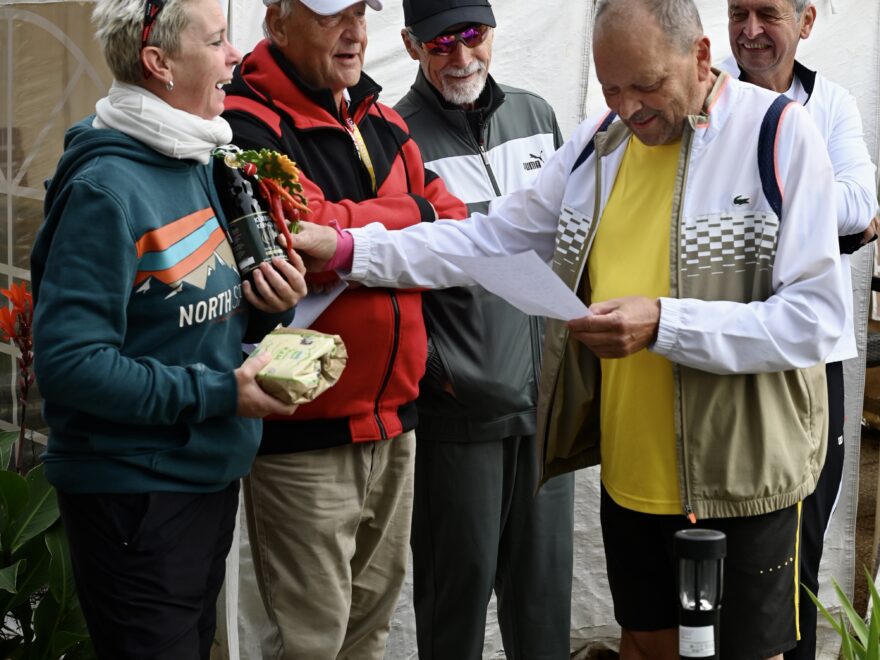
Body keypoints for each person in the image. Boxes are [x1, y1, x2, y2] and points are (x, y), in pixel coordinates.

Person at [291, 0, 849, 656]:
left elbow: (817, 320)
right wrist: (350, 251)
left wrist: (665, 324)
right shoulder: (598, 145)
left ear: (701, 56)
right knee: (644, 647)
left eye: (647, 85)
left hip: (745, 482)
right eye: (611, 88)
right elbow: (487, 240)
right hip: (633, 479)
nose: (630, 107)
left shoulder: (778, 134)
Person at [29, 0, 309, 657]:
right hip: (135, 495)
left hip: (203, 473)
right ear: (158, 63)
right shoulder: (105, 189)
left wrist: (271, 303)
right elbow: (69, 366)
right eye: (217, 41)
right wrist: (220, 393)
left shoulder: (197, 153)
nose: (236, 55)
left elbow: (196, 313)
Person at [221, 1, 467, 658]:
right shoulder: (242, 124)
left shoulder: (382, 118)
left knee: (369, 635)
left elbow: (456, 224)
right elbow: (296, 234)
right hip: (302, 432)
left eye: (361, 12)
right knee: (307, 642)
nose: (355, 31)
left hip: (395, 420)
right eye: (333, 16)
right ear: (276, 24)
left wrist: (351, 234)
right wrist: (413, 213)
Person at [395, 0, 574, 657]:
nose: (462, 57)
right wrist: (439, 376)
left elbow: (569, 246)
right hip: (457, 420)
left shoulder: (537, 116)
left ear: (493, 31)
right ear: (412, 45)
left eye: (473, 35)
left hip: (545, 416)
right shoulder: (396, 137)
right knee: (454, 611)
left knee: (543, 609)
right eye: (442, 44)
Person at [721, 2, 878, 658]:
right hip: (723, 354)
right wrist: (823, 226)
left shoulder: (832, 102)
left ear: (807, 21)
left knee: (800, 553)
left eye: (767, 12)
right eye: (737, 12)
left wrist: (748, 201)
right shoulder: (707, 96)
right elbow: (846, 218)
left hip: (813, 363)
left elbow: (863, 206)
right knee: (720, 553)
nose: (750, 29)